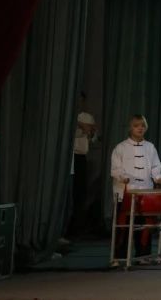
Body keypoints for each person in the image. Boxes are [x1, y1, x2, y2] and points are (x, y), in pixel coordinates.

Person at [110, 115, 161, 260]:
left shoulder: (150, 147)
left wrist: (158, 177)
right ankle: (119, 257)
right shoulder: (121, 147)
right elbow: (115, 168)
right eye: (136, 126)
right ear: (130, 128)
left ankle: (143, 255)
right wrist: (123, 177)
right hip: (126, 193)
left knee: (145, 225)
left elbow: (155, 166)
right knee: (123, 226)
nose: (140, 128)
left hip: (145, 193)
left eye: (142, 125)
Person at [69, 100, 98, 237]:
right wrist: (81, 125)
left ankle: (77, 226)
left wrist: (88, 130)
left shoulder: (87, 116)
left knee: (81, 191)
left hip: (81, 157)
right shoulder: (69, 116)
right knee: (71, 191)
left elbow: (92, 135)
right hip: (70, 156)